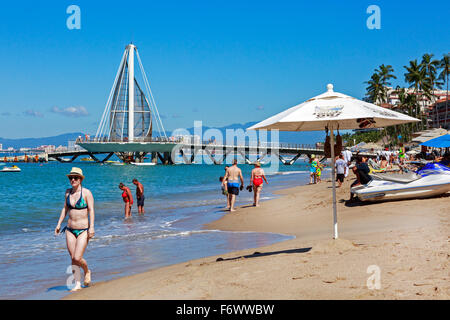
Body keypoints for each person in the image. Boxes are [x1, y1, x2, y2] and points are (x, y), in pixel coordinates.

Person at [54, 167, 95, 292]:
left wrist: (92, 227)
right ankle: (77, 284)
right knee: (73, 258)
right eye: (71, 178)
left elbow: (91, 210)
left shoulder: (87, 193)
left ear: (80, 179)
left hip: (83, 230)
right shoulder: (67, 192)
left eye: (75, 177)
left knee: (77, 257)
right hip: (70, 229)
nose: (73, 180)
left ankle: (87, 271)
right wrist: (58, 224)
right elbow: (65, 209)